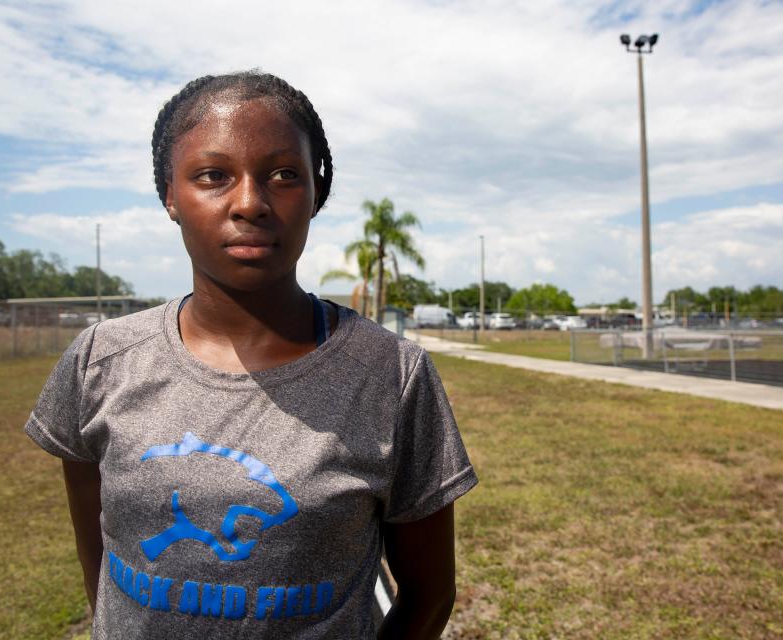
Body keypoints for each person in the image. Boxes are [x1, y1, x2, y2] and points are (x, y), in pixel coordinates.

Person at [24, 70, 477, 639]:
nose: (250, 203)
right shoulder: (101, 360)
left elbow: (430, 598)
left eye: (284, 174)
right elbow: (102, 566)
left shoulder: (393, 375)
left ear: (317, 193)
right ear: (170, 195)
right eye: (213, 175)